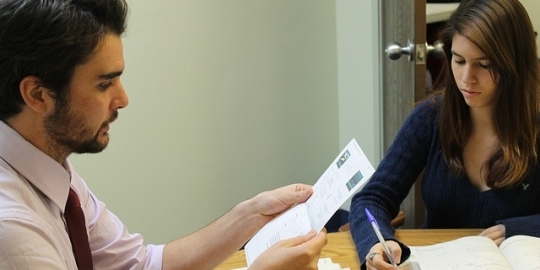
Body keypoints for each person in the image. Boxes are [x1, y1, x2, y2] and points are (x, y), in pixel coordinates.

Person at [0, 0, 327, 269]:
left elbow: (140, 265)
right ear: (38, 95)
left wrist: (253, 214)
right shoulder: (12, 229)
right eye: (104, 84)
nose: (123, 99)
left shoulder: (49, 168)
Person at [348, 0, 540, 269]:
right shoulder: (431, 118)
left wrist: (520, 228)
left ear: (515, 65)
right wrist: (377, 243)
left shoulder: (535, 126)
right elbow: (371, 200)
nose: (466, 78)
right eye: (458, 60)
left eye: (484, 65)